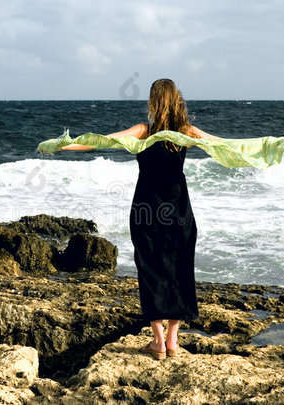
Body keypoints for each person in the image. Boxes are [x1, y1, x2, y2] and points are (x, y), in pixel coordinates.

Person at [61, 78, 217, 360]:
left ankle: (158, 341)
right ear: (177, 99)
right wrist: (273, 147)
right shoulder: (185, 132)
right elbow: (224, 146)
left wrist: (64, 146)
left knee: (150, 269)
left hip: (147, 209)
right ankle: (173, 341)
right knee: (180, 268)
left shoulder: (143, 131)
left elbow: (102, 141)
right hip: (179, 209)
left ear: (154, 102)